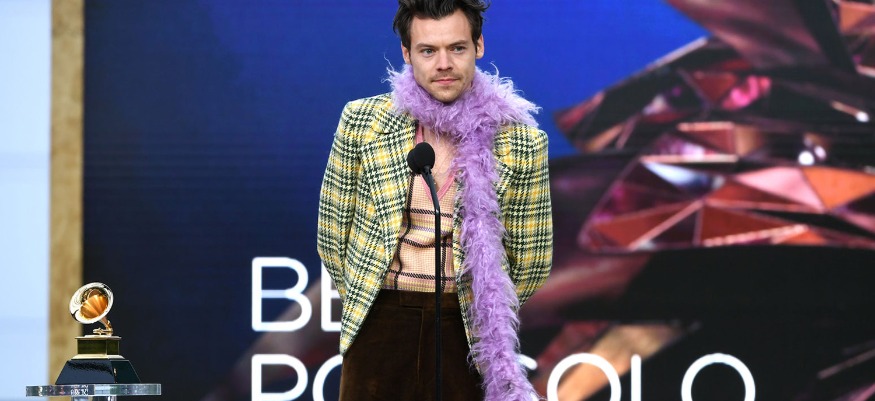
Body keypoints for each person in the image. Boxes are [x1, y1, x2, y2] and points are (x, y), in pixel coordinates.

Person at [316, 0, 553, 399]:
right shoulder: (362, 122)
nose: (444, 64)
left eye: (456, 48)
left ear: (479, 46)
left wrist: (478, 305)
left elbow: (531, 261)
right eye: (428, 50)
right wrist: (374, 294)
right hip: (380, 320)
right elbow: (332, 236)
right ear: (407, 53)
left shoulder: (522, 142)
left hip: (467, 329)